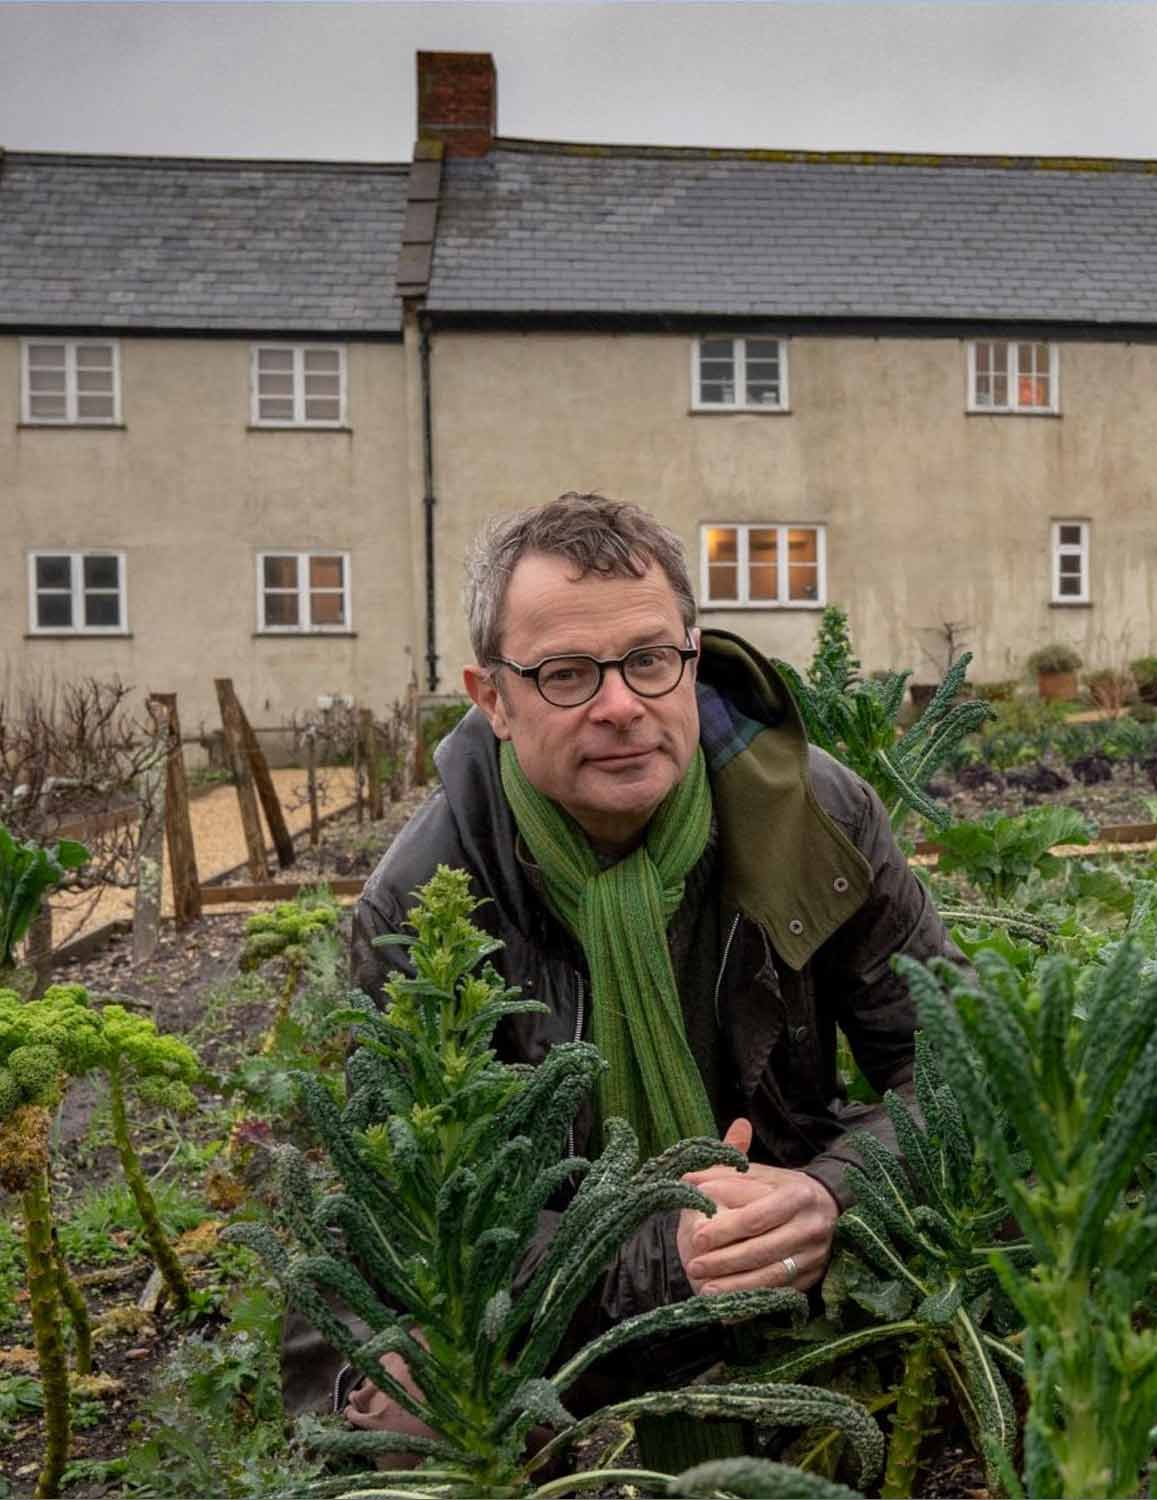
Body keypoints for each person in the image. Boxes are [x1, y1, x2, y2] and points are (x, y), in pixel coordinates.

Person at [324, 493, 959, 1439]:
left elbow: (960, 1053)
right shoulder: (422, 907)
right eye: (567, 675)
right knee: (405, 1407)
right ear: (493, 698)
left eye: (650, 662)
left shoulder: (815, 817)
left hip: (796, 1264)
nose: (622, 706)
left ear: (691, 658)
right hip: (560, 1329)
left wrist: (832, 1189)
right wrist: (669, 1257)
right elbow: (403, 1230)